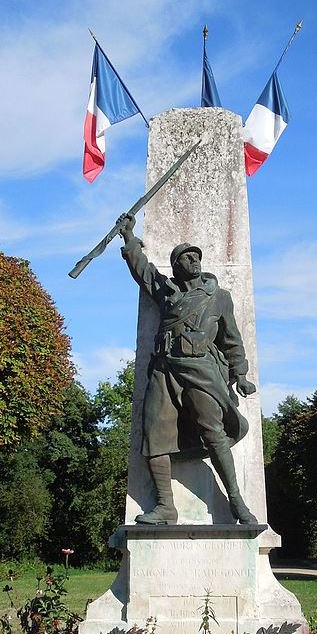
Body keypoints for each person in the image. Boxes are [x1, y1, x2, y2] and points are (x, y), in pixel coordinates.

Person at [117, 212, 257, 525]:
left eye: (195, 256)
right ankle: (166, 506)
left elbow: (232, 339)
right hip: (165, 369)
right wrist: (128, 238)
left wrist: (241, 375)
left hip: (200, 369)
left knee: (214, 431)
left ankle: (237, 502)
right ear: (176, 265)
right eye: (185, 257)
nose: (192, 260)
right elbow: (142, 271)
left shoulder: (219, 297)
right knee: (153, 433)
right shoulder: (166, 292)